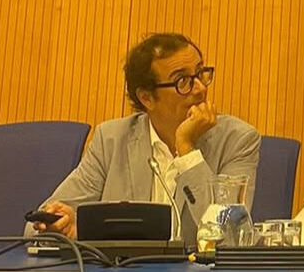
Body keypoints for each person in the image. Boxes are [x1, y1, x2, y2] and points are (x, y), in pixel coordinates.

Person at [32, 32, 260, 244]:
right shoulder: (111, 140)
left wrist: (186, 150)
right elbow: (36, 226)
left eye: (200, 73)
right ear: (147, 98)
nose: (200, 89)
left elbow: (230, 236)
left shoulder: (238, 140)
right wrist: (65, 226)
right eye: (182, 81)